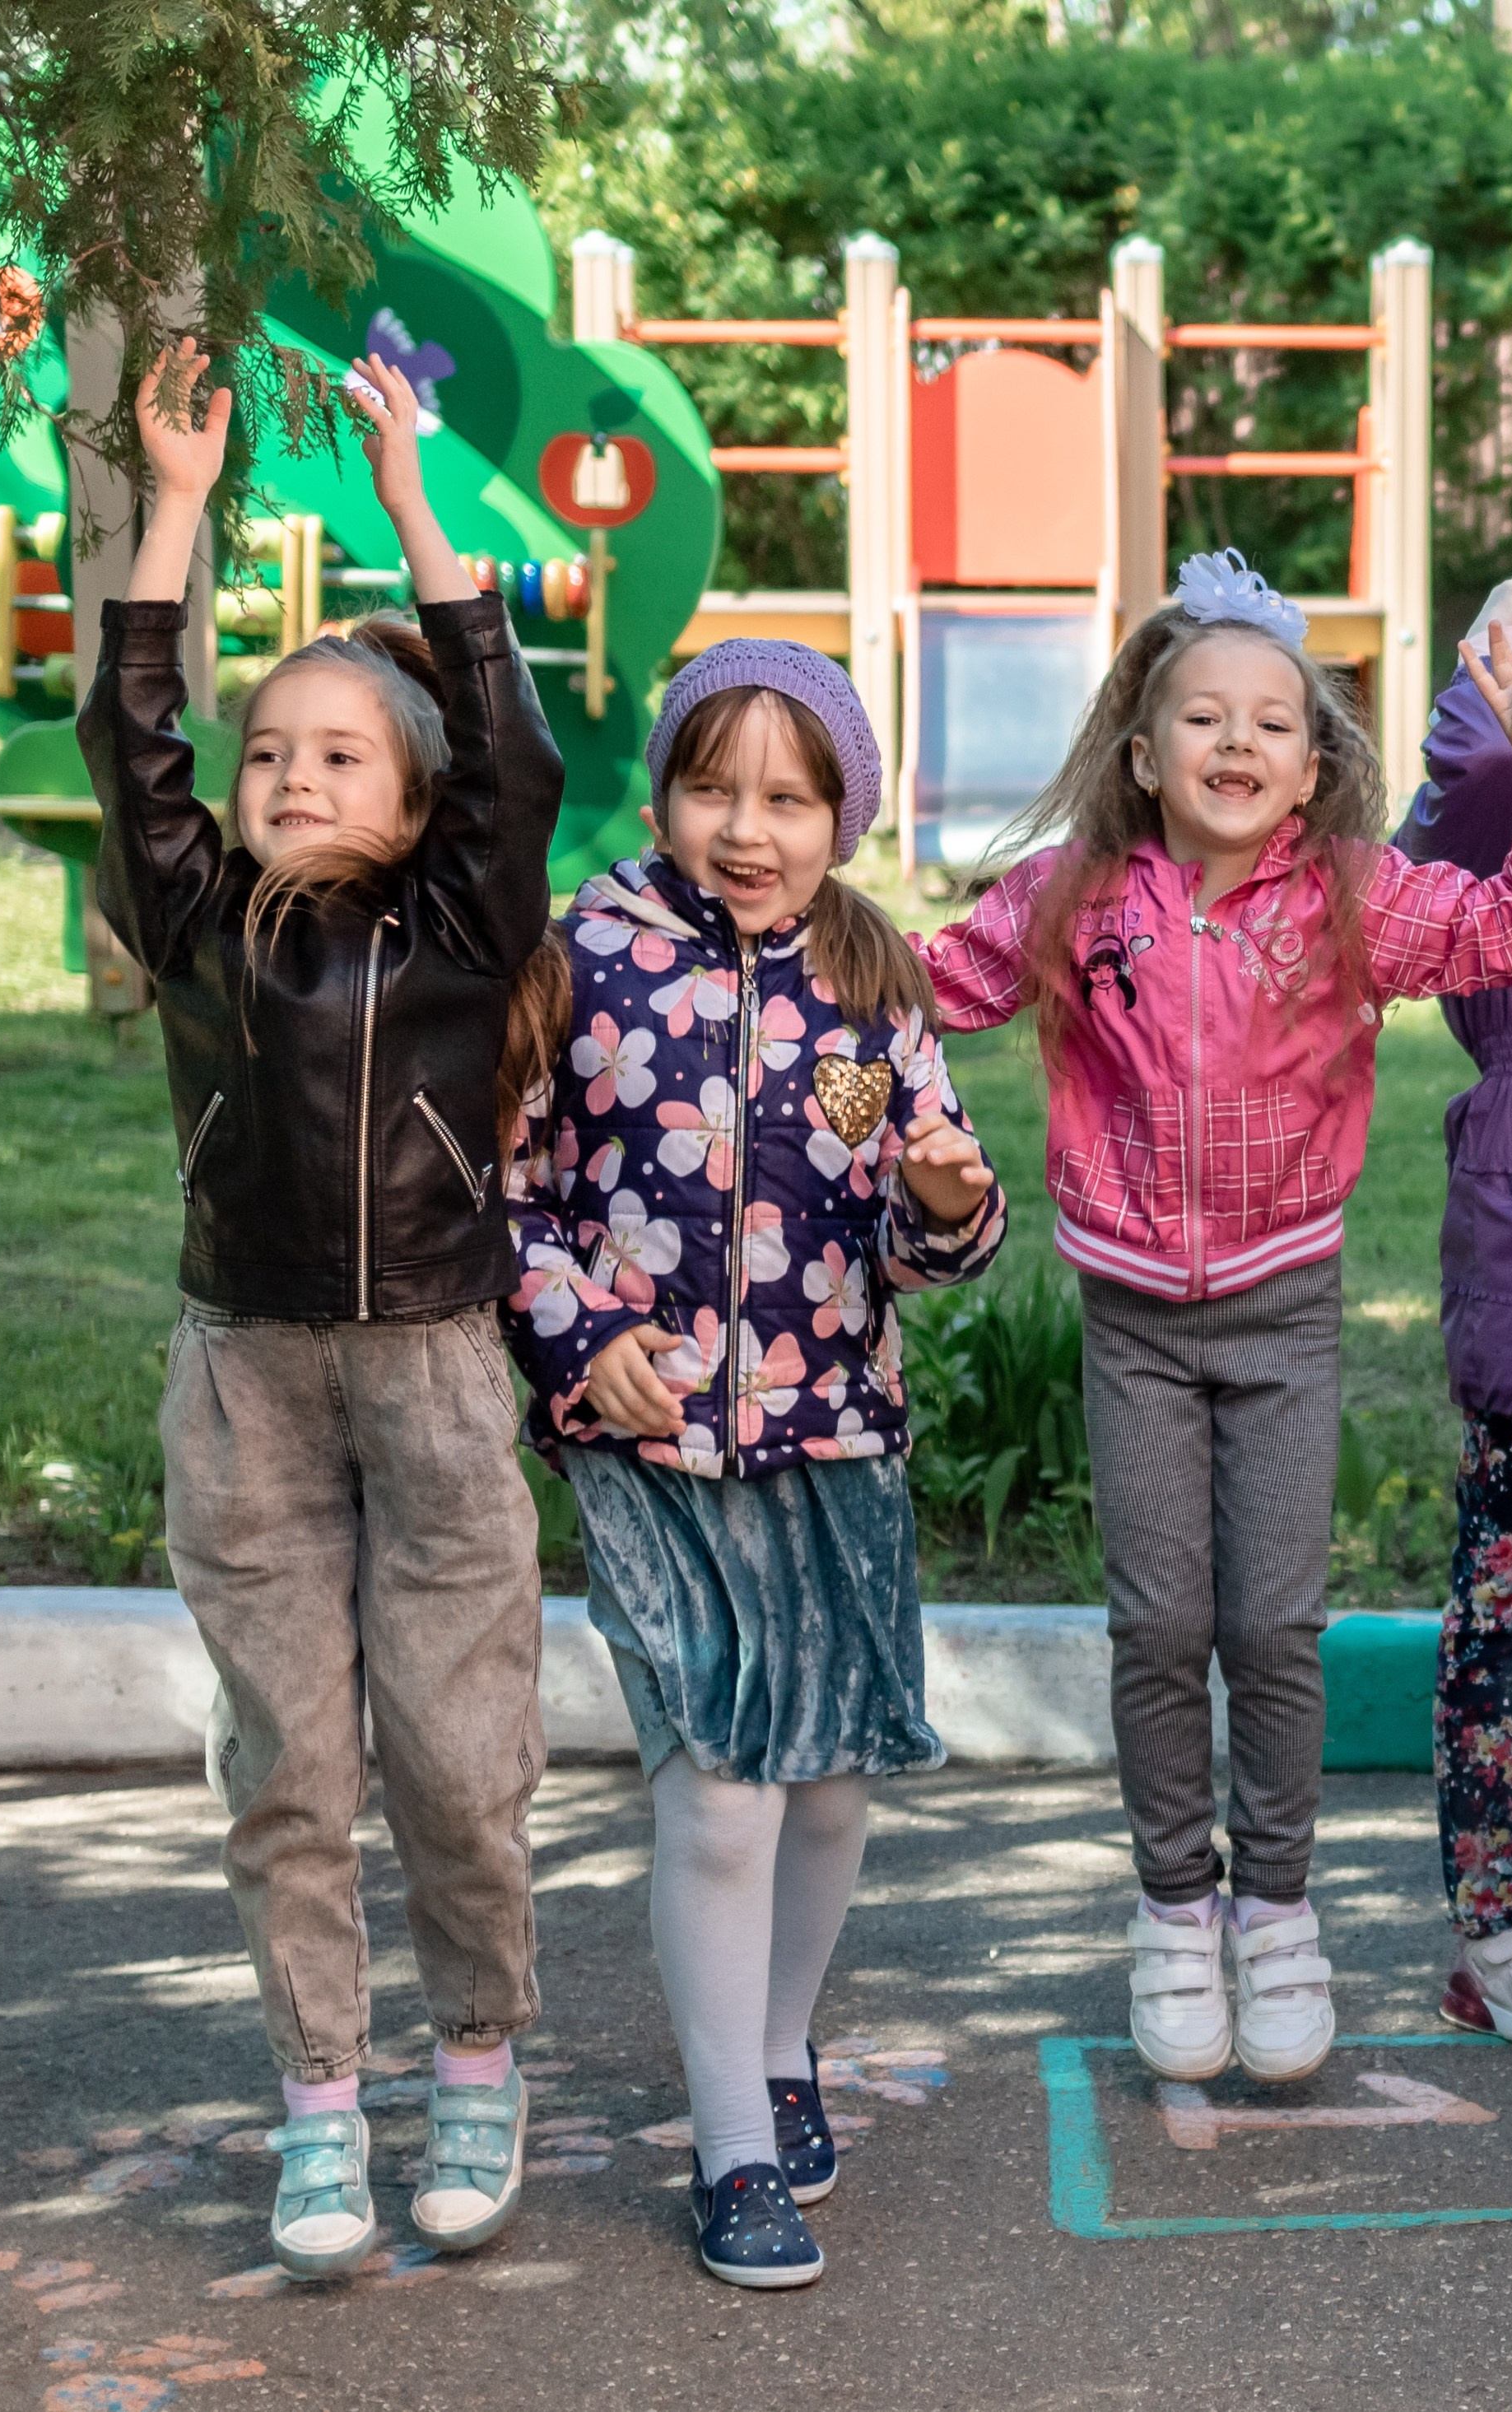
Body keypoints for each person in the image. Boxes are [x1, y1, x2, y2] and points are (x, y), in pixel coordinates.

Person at [913, 548, 1512, 2088]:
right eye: (1200, 717)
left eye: (1271, 722)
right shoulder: (1073, 895)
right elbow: (924, 979)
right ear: (1143, 754)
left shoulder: (1350, 895)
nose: (1234, 743)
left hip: (1284, 1310)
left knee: (1272, 1630)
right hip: (1133, 1318)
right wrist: (772, 935)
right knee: (1159, 1628)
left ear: (1311, 760)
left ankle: (1275, 1912)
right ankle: (1171, 1907)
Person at [76, 340, 563, 2278]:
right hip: (246, 1379)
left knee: (455, 1759)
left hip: (435, 1376)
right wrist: (178, 504)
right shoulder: (192, 917)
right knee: (286, 1762)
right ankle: (316, 2101)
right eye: (268, 748)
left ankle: (474, 2052)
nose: (285, 772)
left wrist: (417, 503)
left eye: (336, 750)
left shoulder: (465, 919)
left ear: (415, 788)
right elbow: (133, 742)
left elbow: (512, 745)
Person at [500, 640, 1005, 2287]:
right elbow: (500, 1191)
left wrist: (940, 1200)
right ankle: (729, 2150)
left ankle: (780, 2047)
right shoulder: (578, 958)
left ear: (841, 811)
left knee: (830, 1784)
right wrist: (580, 1340)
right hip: (645, 1440)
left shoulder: (876, 978)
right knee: (718, 1801)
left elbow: (937, 1228)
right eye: (710, 785)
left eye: (787, 797)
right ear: (656, 789)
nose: (745, 826)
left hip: (832, 1433)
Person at [1394, 552, 1512, 2047]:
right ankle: (1500, 1918)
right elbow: (1444, 804)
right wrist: (1496, 649)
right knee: (1505, 1628)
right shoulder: (1509, 871)